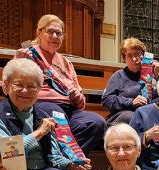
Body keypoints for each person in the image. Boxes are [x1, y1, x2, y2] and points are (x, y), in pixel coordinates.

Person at [15, 14, 105, 154]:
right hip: (42, 105)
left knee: (96, 122)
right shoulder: (28, 55)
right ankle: (61, 162)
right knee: (58, 115)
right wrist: (19, 63)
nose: (55, 36)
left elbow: (81, 102)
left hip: (69, 108)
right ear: (40, 32)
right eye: (50, 31)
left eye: (59, 33)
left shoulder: (66, 62)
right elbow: (12, 86)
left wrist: (77, 97)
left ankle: (67, 162)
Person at [102, 37, 159, 125]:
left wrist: (157, 77)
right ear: (124, 58)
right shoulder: (119, 75)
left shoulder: (150, 75)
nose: (134, 59)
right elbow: (107, 100)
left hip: (147, 115)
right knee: (131, 117)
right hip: (124, 116)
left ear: (143, 56)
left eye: (137, 54)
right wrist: (131, 102)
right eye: (129, 55)